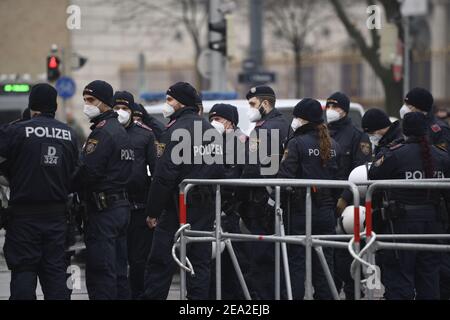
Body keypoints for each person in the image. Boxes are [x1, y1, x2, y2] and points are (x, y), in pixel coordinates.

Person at [141, 82, 223, 300]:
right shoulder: (210, 129)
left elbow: (164, 175)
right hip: (203, 207)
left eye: (169, 100)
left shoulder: (176, 130)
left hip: (177, 208)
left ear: (181, 103)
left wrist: (153, 211)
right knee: (199, 263)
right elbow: (218, 168)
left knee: (160, 262)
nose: (166, 104)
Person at [0, 83, 78, 300]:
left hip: (24, 220)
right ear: (54, 106)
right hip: (57, 219)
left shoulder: (16, 131)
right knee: (56, 276)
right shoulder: (70, 135)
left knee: (24, 272)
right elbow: (76, 174)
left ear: (32, 106)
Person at [369, 112, 450, 300]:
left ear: (404, 131)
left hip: (401, 225)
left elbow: (374, 175)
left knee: (399, 278)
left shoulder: (395, 154)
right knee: (429, 278)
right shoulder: (442, 156)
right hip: (433, 225)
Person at [72, 80, 134, 300]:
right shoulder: (120, 131)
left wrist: (66, 185)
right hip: (119, 208)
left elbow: (88, 172)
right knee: (118, 271)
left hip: (103, 211)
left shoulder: (103, 133)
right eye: (85, 100)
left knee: (102, 273)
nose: (86, 105)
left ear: (105, 103)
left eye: (90, 100)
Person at [278, 98, 340, 300]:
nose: (294, 121)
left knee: (296, 263)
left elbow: (285, 176)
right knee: (324, 264)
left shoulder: (296, 143)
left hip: (301, 211)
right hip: (327, 211)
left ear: (303, 119)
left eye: (296, 117)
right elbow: (339, 180)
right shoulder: (334, 145)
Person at [236, 86, 289, 300]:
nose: (250, 109)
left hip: (261, 203)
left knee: (261, 261)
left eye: (252, 104)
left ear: (265, 104)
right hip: (280, 201)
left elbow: (251, 167)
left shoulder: (263, 129)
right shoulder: (285, 125)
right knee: (280, 260)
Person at [326, 92, 372, 299]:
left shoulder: (357, 136)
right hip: (326, 201)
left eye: (334, 107)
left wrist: (345, 198)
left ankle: (354, 292)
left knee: (350, 254)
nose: (330, 111)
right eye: (328, 106)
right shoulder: (323, 133)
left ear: (344, 110)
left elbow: (360, 170)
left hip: (350, 205)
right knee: (329, 254)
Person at [112, 91, 157, 299]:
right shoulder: (105, 132)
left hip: (138, 206)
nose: (120, 112)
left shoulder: (145, 134)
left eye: (125, 108)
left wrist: (154, 209)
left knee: (138, 260)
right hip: (112, 205)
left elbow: (155, 171)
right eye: (117, 108)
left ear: (132, 110)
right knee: (115, 258)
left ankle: (137, 294)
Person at [208, 103, 249, 300]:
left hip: (232, 212)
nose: (213, 123)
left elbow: (233, 177)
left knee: (233, 264)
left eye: (218, 120)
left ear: (231, 123)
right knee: (215, 264)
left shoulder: (239, 142)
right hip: (216, 212)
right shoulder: (212, 142)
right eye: (211, 120)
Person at [400, 88, 450, 154]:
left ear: (419, 107)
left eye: (408, 105)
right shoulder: (411, 124)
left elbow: (443, 157)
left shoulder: (440, 130)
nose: (404, 108)